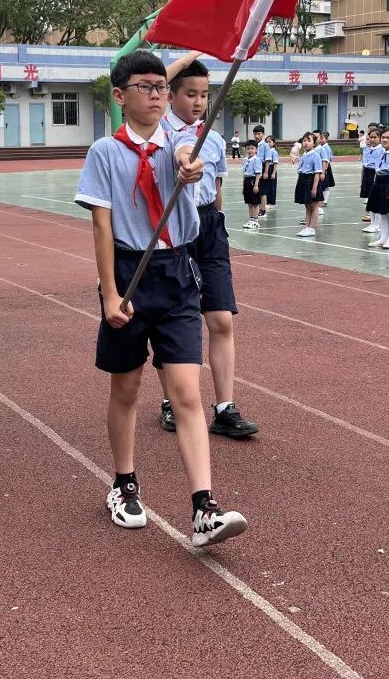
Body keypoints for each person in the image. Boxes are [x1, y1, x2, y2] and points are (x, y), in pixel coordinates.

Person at [75, 50, 247, 546]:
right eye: (146, 86)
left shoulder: (182, 139)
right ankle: (124, 483)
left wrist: (187, 167)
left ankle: (204, 507)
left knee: (188, 393)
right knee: (125, 390)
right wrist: (109, 293)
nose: (156, 94)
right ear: (119, 96)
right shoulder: (105, 152)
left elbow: (182, 158)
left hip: (176, 274)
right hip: (129, 274)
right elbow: (101, 225)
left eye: (160, 87)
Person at [158, 60, 258, 440]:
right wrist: (188, 55)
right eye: (190, 93)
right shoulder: (158, 134)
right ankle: (171, 401)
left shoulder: (213, 139)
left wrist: (215, 224)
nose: (199, 102)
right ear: (171, 95)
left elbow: (214, 190)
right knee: (170, 322)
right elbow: (181, 152)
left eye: (204, 94)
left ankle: (224, 407)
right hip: (172, 229)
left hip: (209, 229)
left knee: (221, 320)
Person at [366, 128, 389, 249]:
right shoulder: (381, 152)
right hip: (379, 182)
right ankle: (383, 238)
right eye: (383, 137)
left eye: (388, 137)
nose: (385, 139)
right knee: (382, 212)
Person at [295, 132, 323, 238]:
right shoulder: (304, 155)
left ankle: (312, 228)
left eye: (309, 140)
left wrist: (314, 187)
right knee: (307, 206)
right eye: (304, 140)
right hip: (303, 180)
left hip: (311, 181)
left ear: (314, 144)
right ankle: (307, 226)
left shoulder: (315, 155)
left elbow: (317, 173)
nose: (306, 143)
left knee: (314, 206)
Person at [360, 127, 383, 232]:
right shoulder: (369, 149)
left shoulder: (381, 150)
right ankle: (372, 223)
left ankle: (377, 224)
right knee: (370, 199)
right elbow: (365, 163)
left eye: (375, 137)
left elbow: (379, 166)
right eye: (370, 137)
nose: (372, 139)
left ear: (380, 138)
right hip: (367, 172)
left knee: (376, 200)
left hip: (375, 174)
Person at [242, 141, 262, 230]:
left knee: (255, 203)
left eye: (252, 148)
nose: (250, 150)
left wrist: (256, 185)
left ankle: (255, 221)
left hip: (253, 181)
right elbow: (244, 174)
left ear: (256, 150)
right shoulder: (246, 160)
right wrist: (243, 186)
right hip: (247, 180)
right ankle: (251, 219)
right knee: (249, 203)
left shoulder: (257, 160)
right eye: (248, 149)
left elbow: (258, 173)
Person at [252, 124, 270, 218]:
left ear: (263, 134)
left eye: (259, 134)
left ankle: (263, 210)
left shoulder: (265, 146)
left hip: (262, 168)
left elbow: (267, 159)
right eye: (255, 134)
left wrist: (266, 171)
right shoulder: (254, 145)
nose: (256, 136)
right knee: (256, 190)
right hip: (255, 168)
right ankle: (258, 208)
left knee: (262, 191)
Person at [315, 131, 335, 211]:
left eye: (322, 138)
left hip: (325, 168)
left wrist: (325, 170)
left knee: (325, 185)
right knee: (324, 185)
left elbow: (327, 159)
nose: (321, 140)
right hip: (322, 167)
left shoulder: (325, 148)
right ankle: (323, 201)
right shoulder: (320, 147)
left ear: (326, 139)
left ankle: (324, 201)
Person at [263, 135, 280, 210]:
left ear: (274, 143)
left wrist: (273, 173)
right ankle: (266, 202)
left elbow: (275, 163)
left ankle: (271, 203)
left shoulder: (274, 152)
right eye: (266, 142)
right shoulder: (266, 151)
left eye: (269, 142)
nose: (268, 144)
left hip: (271, 169)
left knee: (272, 187)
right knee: (266, 186)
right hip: (266, 169)